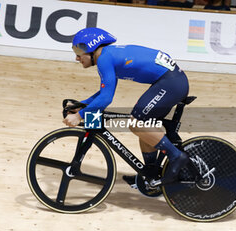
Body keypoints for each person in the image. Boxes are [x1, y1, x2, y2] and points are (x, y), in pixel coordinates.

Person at [63, 27, 189, 187]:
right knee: (146, 125)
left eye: (78, 50)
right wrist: (82, 105)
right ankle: (150, 172)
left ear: (91, 47)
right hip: (171, 81)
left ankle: (176, 156)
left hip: (171, 82)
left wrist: (80, 115)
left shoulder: (103, 58)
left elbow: (106, 99)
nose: (76, 57)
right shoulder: (108, 55)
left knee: (137, 122)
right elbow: (104, 93)